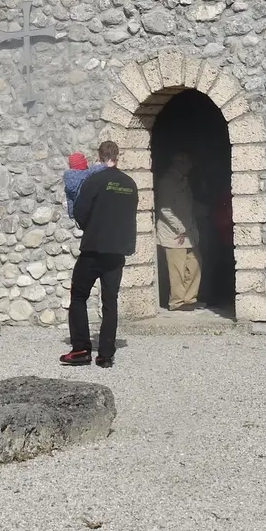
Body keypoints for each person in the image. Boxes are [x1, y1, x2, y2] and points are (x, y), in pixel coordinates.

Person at [61, 140, 137, 369]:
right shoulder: (130, 183)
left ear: (99, 156)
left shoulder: (94, 180)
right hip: (117, 250)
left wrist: (92, 228)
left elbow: (80, 212)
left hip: (94, 248)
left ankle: (81, 349)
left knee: (79, 296)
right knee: (109, 301)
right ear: (118, 157)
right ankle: (105, 355)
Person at [155, 152, 201, 311]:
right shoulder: (167, 182)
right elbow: (165, 209)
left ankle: (189, 299)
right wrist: (180, 228)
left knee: (195, 264)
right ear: (178, 163)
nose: (190, 165)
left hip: (188, 233)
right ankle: (177, 302)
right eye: (187, 162)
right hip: (174, 234)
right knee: (177, 270)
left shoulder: (183, 181)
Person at [62, 151, 101, 216]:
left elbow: (70, 200)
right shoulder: (85, 175)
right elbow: (94, 170)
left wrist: (72, 214)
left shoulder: (68, 177)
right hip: (88, 214)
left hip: (77, 214)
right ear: (83, 164)